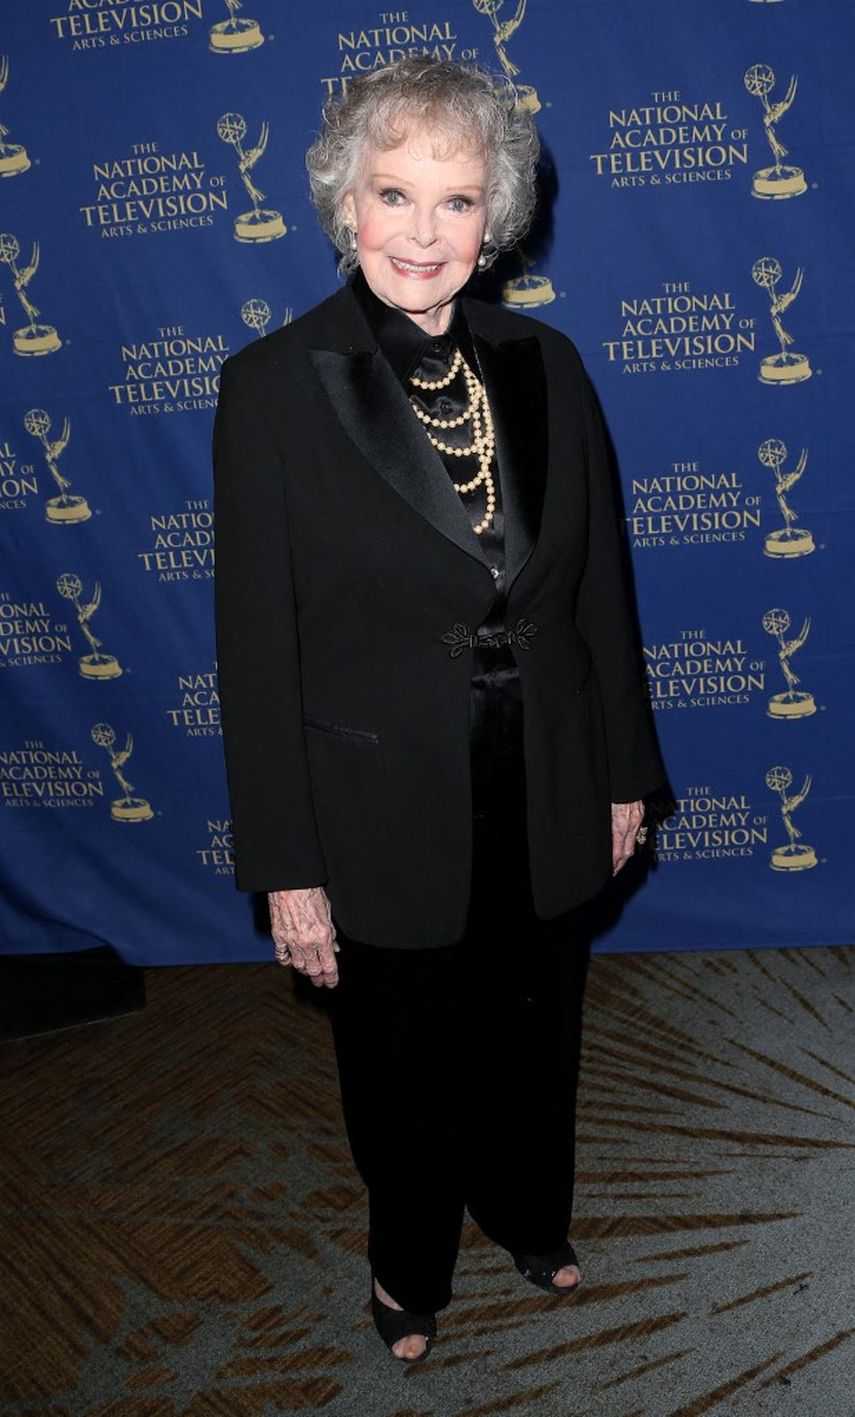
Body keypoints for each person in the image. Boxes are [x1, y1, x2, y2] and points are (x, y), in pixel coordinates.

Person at [213, 56, 663, 1363]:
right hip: (379, 805)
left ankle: (528, 1209)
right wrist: (287, 868)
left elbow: (599, 591)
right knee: (404, 1070)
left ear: (496, 216)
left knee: (537, 1029)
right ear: (344, 205)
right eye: (394, 193)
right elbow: (255, 651)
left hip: (552, 776)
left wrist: (623, 766)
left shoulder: (550, 363)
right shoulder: (271, 389)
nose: (423, 230)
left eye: (457, 199)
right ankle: (407, 1265)